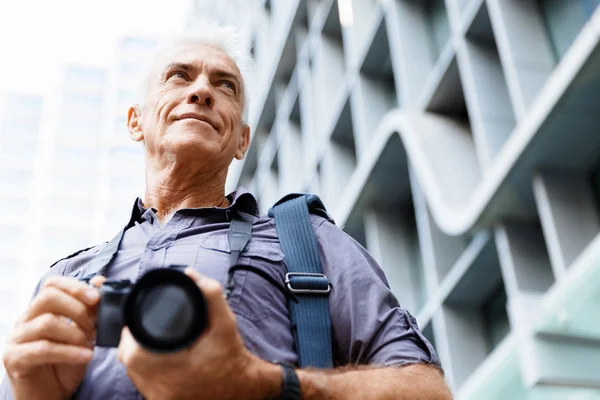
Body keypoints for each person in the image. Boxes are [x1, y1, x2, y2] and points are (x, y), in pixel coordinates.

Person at [1, 20, 453, 400]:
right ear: (136, 121)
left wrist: (258, 381)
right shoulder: (68, 278)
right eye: (180, 76)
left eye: (225, 85)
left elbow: (428, 390)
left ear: (241, 140)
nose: (201, 91)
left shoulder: (307, 242)